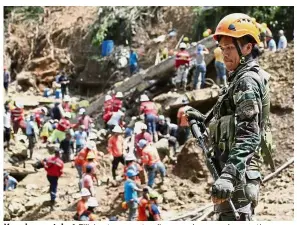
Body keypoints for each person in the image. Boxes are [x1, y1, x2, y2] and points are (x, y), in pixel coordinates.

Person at [186, 13, 271, 221]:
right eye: (222, 49)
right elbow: (231, 116)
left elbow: (249, 134)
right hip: (235, 170)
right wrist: (204, 119)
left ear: (248, 48)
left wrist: (228, 176)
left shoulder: (246, 82)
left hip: (238, 174)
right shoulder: (238, 79)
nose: (225, 54)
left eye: (230, 48)